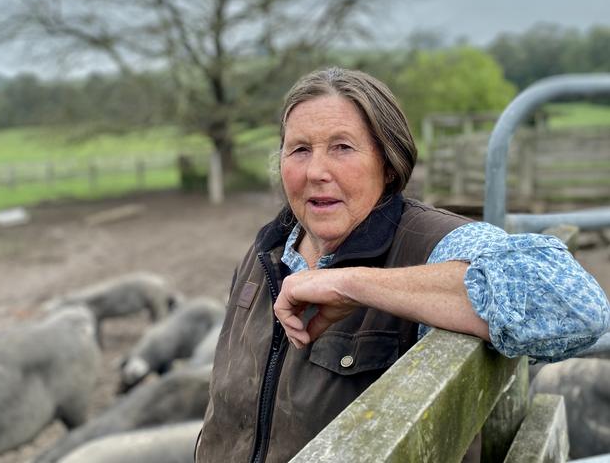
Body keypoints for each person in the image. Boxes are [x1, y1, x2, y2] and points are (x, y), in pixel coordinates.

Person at [195, 67, 609, 462]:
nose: (316, 171)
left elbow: (576, 309)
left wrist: (352, 284)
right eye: (299, 149)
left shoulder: (433, 241)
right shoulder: (265, 252)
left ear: (388, 162)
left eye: (342, 147)